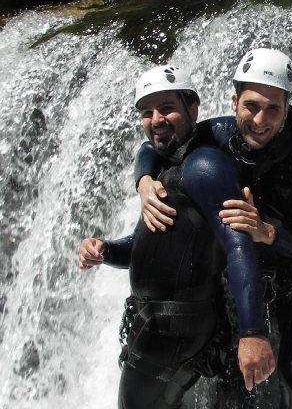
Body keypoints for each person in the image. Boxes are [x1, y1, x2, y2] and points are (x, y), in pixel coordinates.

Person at [133, 49, 292, 408]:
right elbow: (156, 147)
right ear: (234, 102)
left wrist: (269, 233)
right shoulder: (215, 136)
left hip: (291, 278)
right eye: (251, 106)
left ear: (287, 110)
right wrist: (144, 180)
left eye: (274, 109)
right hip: (232, 279)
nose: (260, 119)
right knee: (231, 387)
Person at [77, 65, 275, 408]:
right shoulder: (167, 167)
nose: (157, 119)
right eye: (147, 112)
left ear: (192, 110)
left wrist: (252, 333)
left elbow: (238, 245)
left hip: (176, 328)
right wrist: (106, 250)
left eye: (167, 108)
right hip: (160, 325)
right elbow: (150, 249)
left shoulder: (203, 167)